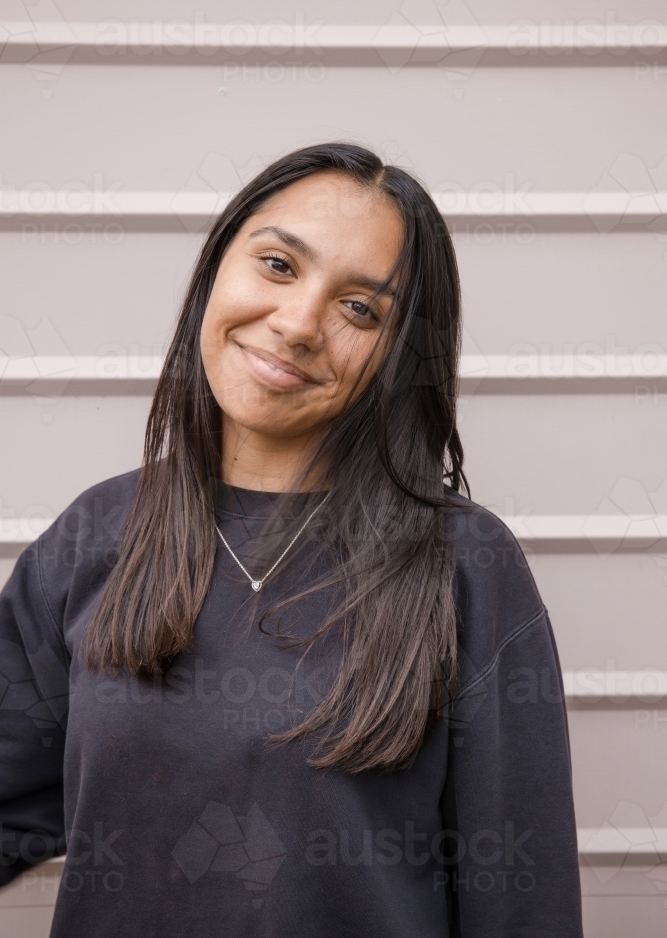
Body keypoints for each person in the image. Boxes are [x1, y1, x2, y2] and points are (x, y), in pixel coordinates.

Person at [0, 143, 582, 937]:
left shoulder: (465, 567)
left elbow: (523, 905)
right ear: (216, 268)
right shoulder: (94, 535)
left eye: (359, 310)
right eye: (277, 265)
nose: (300, 324)